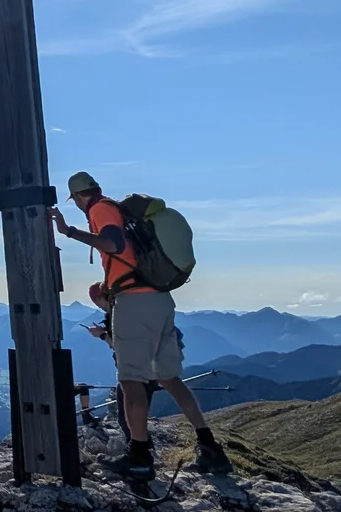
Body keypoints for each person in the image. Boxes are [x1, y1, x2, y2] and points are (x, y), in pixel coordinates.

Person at [51, 171, 229, 479]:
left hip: (135, 303)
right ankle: (210, 447)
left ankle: (139, 457)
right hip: (160, 299)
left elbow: (114, 245)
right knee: (170, 379)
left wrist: (69, 231)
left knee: (131, 381)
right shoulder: (121, 211)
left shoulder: (100, 209)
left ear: (79, 197)